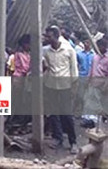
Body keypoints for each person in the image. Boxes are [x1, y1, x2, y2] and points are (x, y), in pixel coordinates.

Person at [43, 25, 79, 153]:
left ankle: (73, 141)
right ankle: (58, 138)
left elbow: (74, 71)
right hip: (51, 86)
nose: (46, 38)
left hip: (65, 87)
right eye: (46, 36)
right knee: (54, 114)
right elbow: (44, 65)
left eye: (49, 36)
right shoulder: (45, 51)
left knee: (67, 115)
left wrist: (73, 89)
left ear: (56, 36)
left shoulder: (69, 50)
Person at [76, 37, 96, 128]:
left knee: (88, 97)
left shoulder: (94, 55)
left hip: (91, 78)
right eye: (85, 42)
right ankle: (80, 112)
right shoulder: (79, 54)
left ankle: (86, 115)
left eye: (88, 42)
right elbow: (76, 65)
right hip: (82, 76)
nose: (86, 44)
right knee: (80, 95)